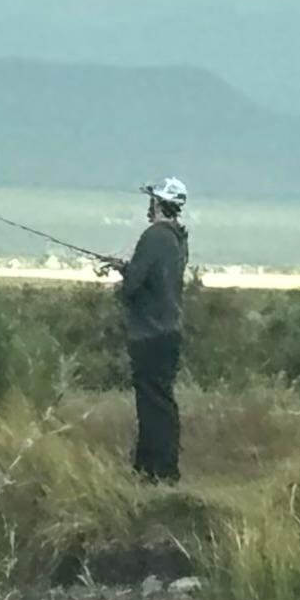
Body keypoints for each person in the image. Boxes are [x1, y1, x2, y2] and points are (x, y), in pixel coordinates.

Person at [108, 177, 191, 482]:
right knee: (163, 402)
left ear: (158, 203)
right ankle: (159, 469)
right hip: (169, 331)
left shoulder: (154, 236)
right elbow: (158, 277)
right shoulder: (177, 238)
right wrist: (125, 267)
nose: (149, 205)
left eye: (152, 200)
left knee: (150, 405)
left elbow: (133, 286)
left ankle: (156, 471)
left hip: (149, 333)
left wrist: (125, 275)